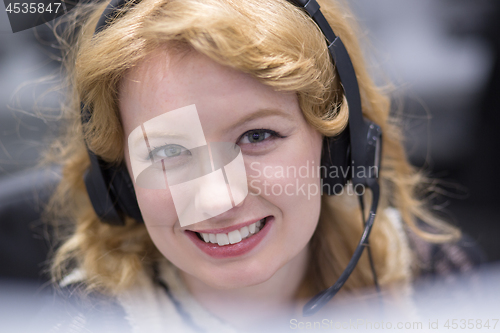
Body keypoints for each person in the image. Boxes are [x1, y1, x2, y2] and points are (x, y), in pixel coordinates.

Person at [40, 0, 481, 331]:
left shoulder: (434, 285)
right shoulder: (86, 318)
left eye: (257, 137)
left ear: (337, 147)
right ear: (119, 181)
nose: (218, 199)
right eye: (167, 152)